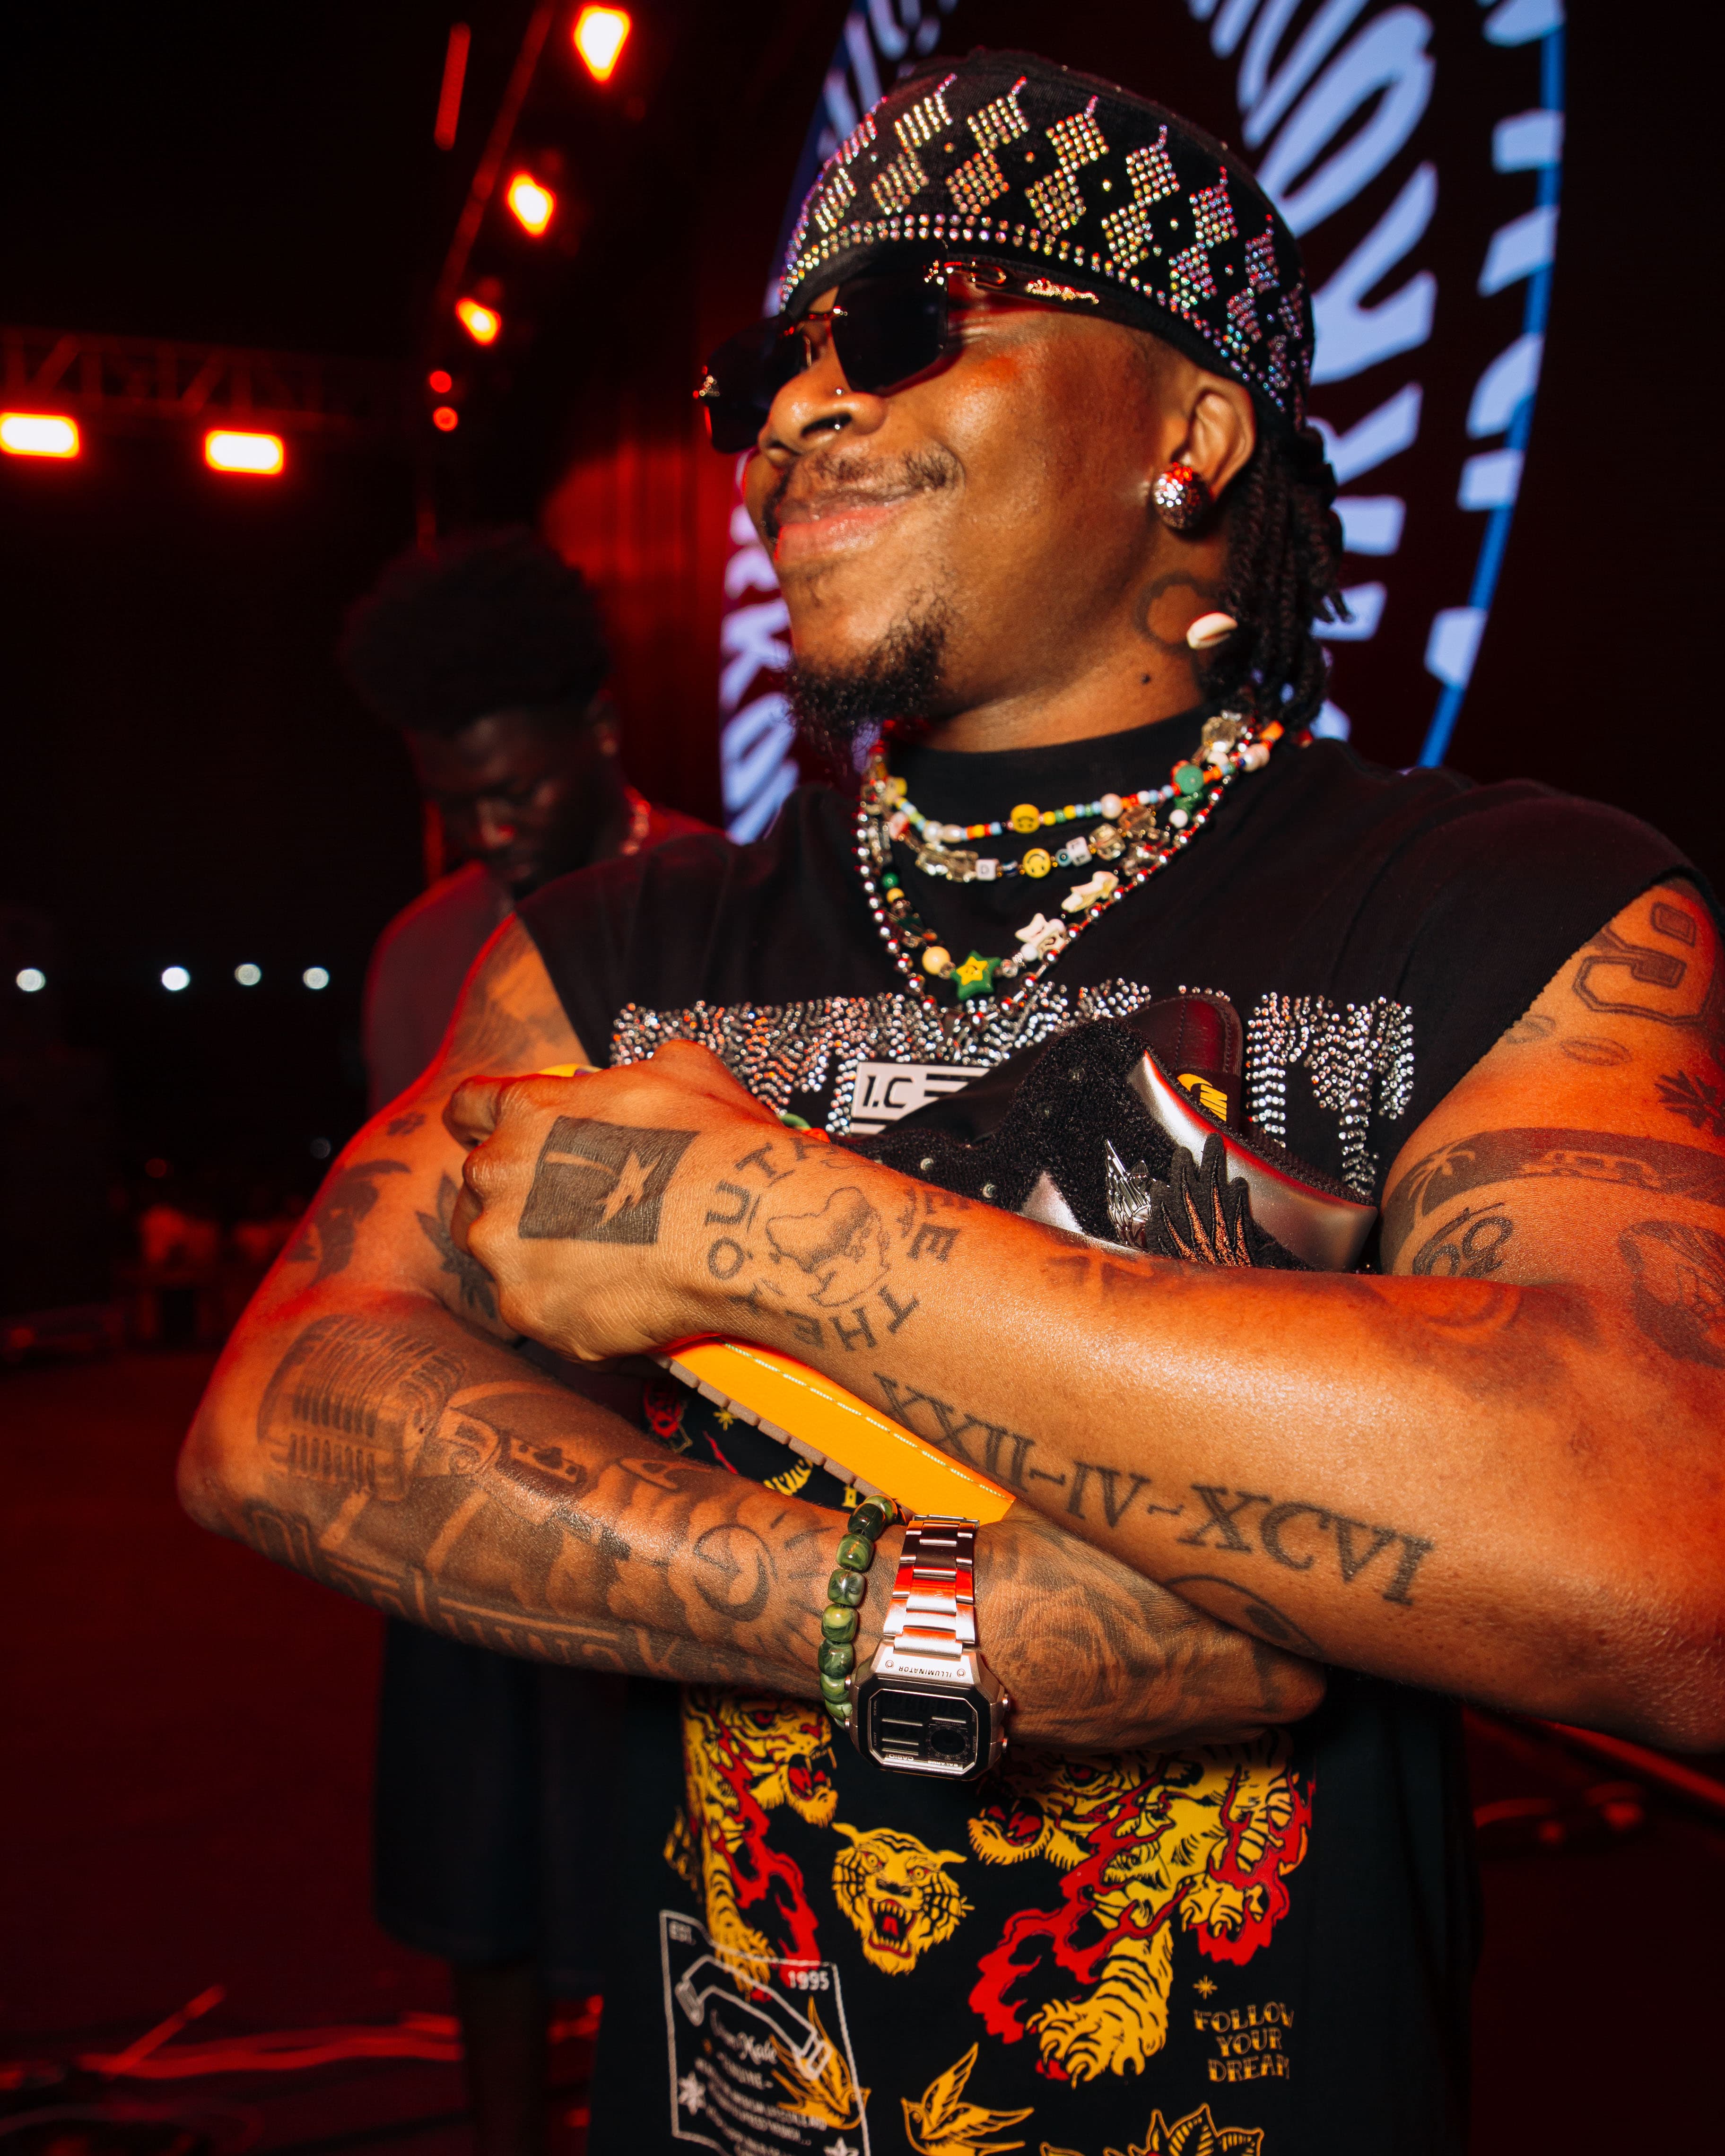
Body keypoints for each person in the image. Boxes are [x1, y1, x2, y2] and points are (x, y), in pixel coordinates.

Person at [180, 51, 1725, 2156]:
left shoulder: (1505, 906)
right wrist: (910, 1625)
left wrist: (743, 1228)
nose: (798, 413)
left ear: (1192, 432)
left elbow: (1661, 1559)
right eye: (772, 367)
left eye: (911, 325)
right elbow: (281, 1411)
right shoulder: (625, 948)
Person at [338, 528, 711, 2156]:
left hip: (673, 1491)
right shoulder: (424, 948)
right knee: (477, 1873)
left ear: (601, 731)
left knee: (662, 1885)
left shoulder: (729, 910)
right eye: (455, 802)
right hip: (468, 1473)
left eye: (514, 791)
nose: (489, 831)